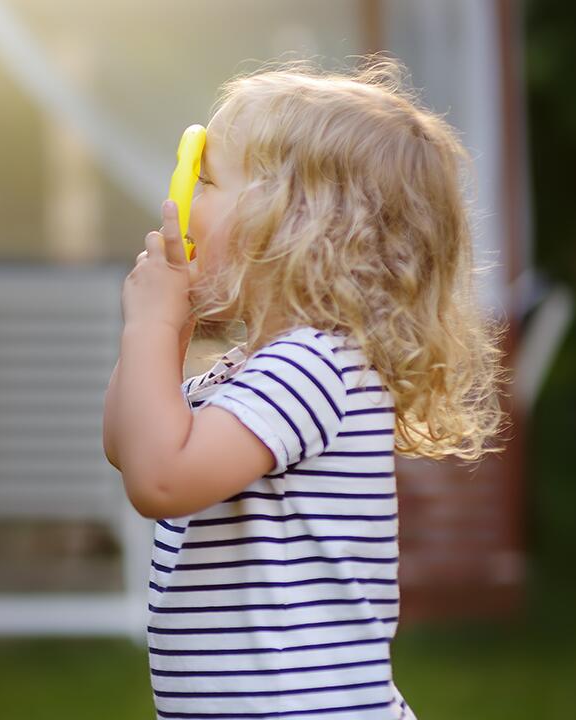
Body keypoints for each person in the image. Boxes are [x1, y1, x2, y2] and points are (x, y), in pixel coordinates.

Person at [103, 59, 503, 719]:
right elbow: (127, 443)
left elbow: (159, 481)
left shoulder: (313, 368)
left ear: (289, 225)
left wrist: (154, 320)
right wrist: (165, 338)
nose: (178, 200)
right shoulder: (255, 369)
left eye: (203, 180)